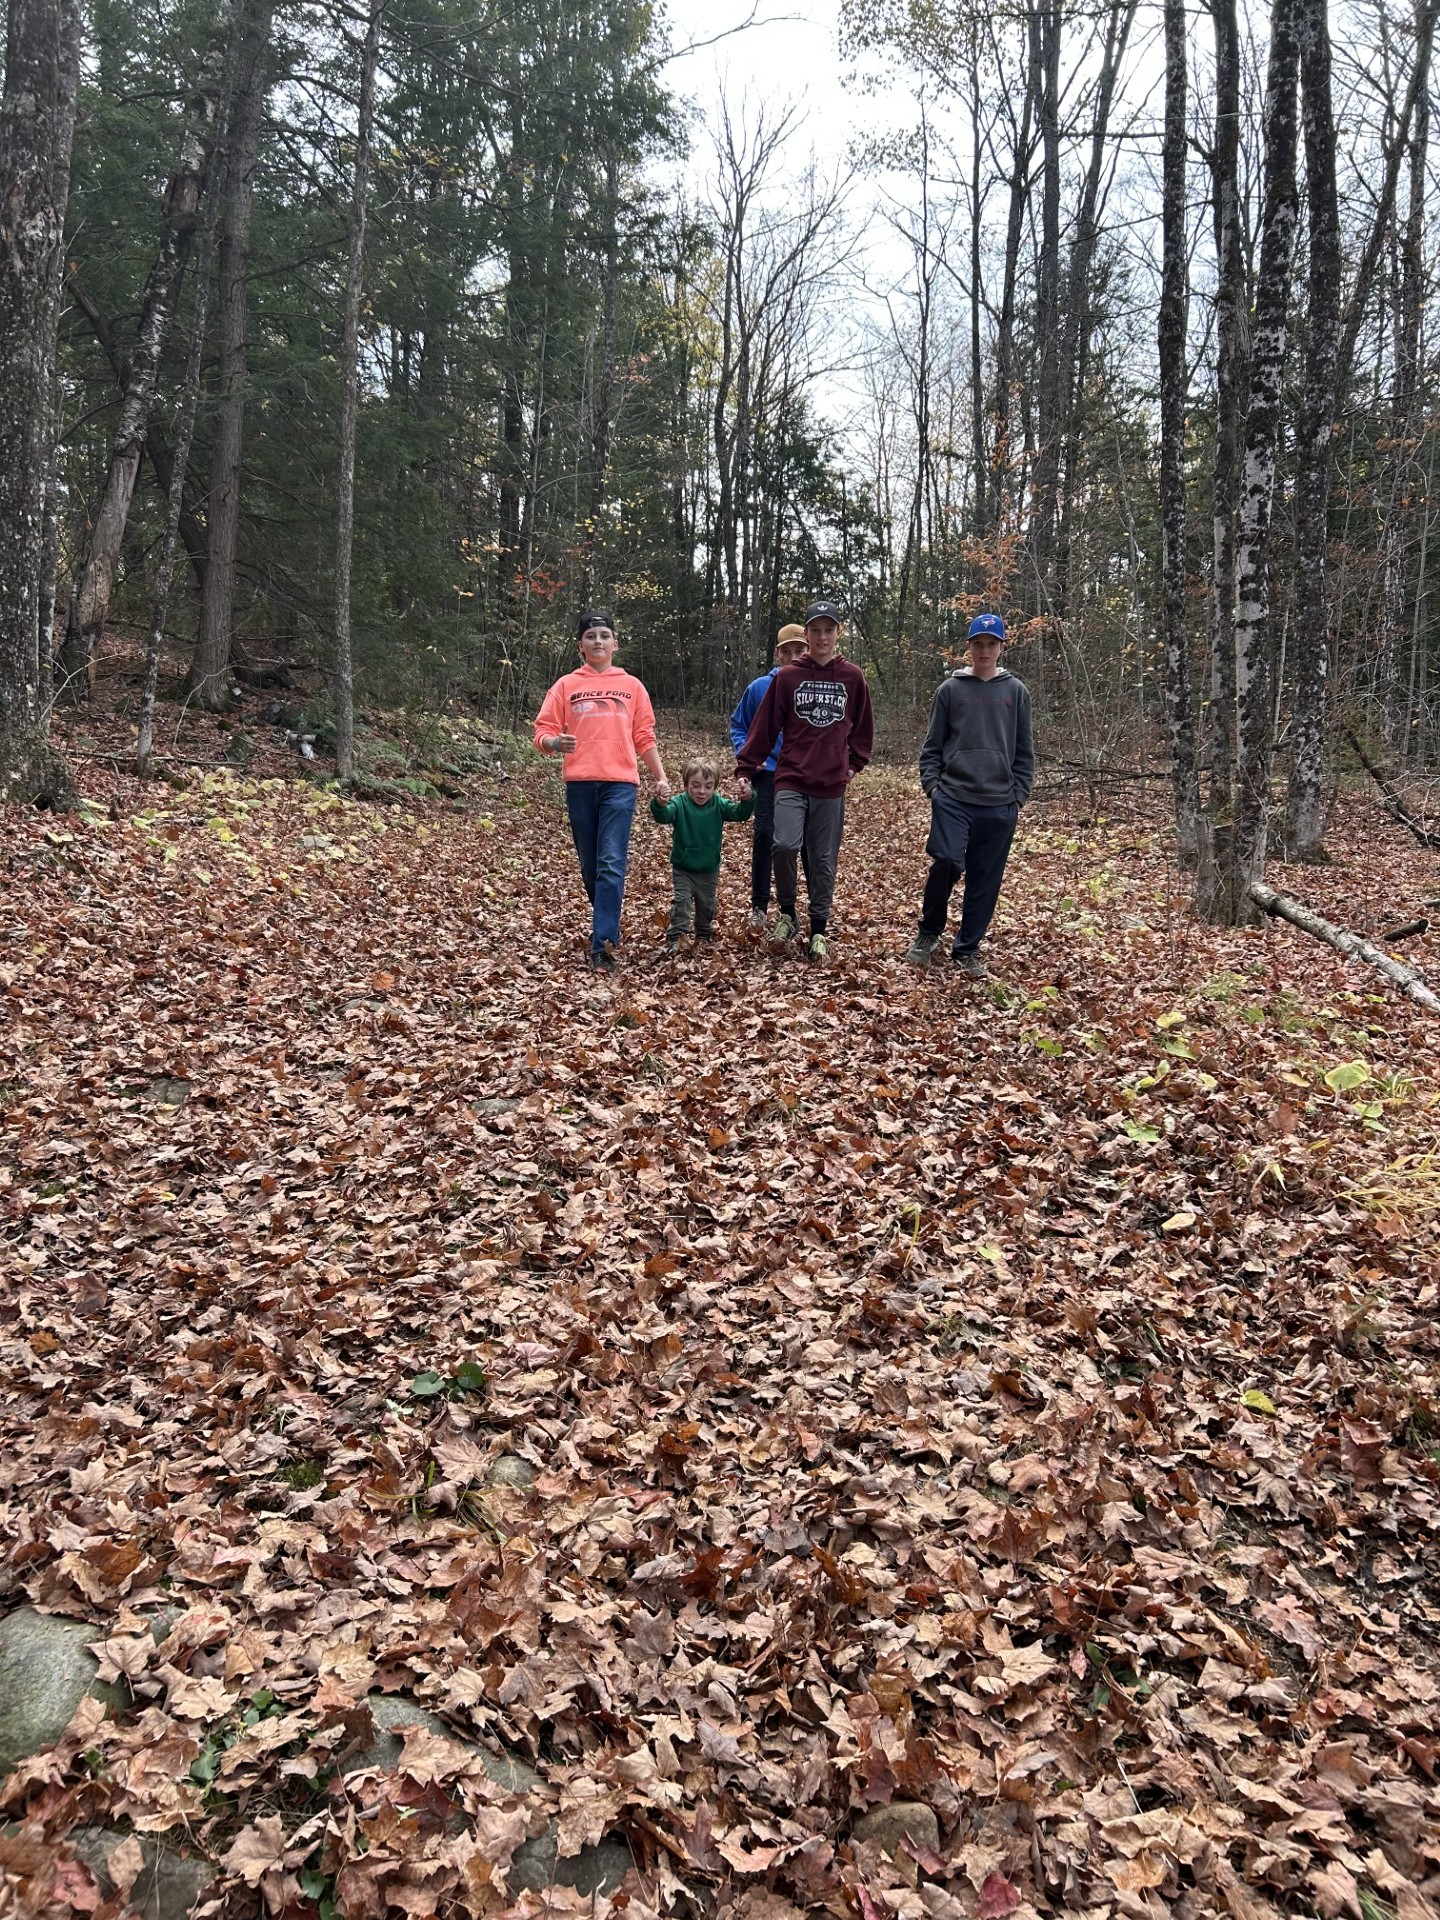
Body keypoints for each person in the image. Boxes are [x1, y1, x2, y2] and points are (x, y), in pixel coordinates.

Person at [734, 598, 874, 962]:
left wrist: (854, 764)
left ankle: (818, 929)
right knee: (782, 843)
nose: (822, 637)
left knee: (823, 857)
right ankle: (788, 913)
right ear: (807, 634)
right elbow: (764, 727)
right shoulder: (788, 677)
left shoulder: (853, 677)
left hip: (830, 783)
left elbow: (863, 728)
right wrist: (746, 768)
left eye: (829, 630)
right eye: (816, 630)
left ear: (838, 634)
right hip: (791, 777)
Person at [533, 610, 671, 970]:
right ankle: (606, 920)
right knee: (591, 866)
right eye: (591, 635)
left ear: (615, 643)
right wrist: (553, 743)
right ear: (581, 645)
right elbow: (542, 731)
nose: (598, 641)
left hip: (620, 784)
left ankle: (603, 945)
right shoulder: (565, 685)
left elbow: (644, 736)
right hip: (579, 784)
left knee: (611, 863)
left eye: (604, 635)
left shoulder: (632, 686)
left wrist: (661, 776)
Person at [904, 611, 1033, 977]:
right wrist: (934, 788)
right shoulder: (950, 690)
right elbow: (932, 748)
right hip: (954, 797)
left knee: (985, 878)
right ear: (969, 647)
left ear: (1001, 648)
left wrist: (1018, 796)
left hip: (999, 803)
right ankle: (929, 933)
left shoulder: (1015, 692)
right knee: (946, 861)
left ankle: (967, 948)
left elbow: (1024, 752)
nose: (985, 650)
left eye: (992, 644)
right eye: (978, 643)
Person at [729, 623, 808, 929]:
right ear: (777, 654)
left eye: (799, 651)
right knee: (765, 836)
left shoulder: (813, 685)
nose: (792, 657)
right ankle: (759, 906)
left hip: (803, 775)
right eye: (786, 651)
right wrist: (746, 755)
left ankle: (799, 909)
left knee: (800, 845)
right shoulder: (760, 687)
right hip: (768, 774)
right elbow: (738, 725)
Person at [650, 756, 755, 951]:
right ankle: (677, 936)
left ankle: (704, 933)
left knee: (707, 905)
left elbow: (740, 813)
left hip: (708, 868)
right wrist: (660, 803)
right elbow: (663, 816)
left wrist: (748, 798)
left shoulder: (718, 804)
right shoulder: (679, 804)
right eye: (696, 785)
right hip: (683, 867)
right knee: (681, 902)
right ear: (686, 784)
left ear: (715, 787)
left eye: (708, 786)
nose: (701, 792)